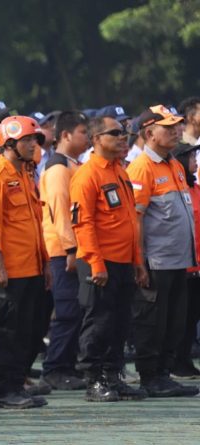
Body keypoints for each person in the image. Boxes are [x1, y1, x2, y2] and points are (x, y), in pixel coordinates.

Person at [70, 115, 149, 402]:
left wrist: (137, 261)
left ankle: (113, 376)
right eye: (114, 133)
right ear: (96, 139)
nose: (122, 137)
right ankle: (94, 380)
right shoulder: (87, 174)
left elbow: (129, 221)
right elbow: (83, 223)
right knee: (99, 322)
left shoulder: (120, 171)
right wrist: (95, 262)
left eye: (124, 132)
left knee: (119, 322)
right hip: (99, 261)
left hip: (123, 261)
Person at [126, 105, 199, 397]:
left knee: (174, 321)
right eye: (168, 128)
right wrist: (139, 262)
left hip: (178, 261)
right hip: (156, 262)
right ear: (149, 133)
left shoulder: (173, 165)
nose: (176, 132)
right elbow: (136, 218)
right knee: (153, 321)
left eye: (177, 127)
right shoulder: (141, 167)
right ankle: (151, 376)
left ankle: (164, 374)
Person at [0, 116, 51, 409]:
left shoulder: (26, 173)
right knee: (6, 330)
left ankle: (17, 383)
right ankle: (2, 388)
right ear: (9, 143)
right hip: (10, 268)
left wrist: (45, 263)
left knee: (26, 329)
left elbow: (36, 223)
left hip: (31, 266)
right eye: (27, 140)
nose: (33, 146)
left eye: (35, 140)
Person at [39, 111, 91, 391]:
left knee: (76, 310)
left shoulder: (73, 164)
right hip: (63, 251)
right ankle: (55, 368)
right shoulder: (58, 168)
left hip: (74, 249)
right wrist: (71, 249)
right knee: (68, 310)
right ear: (66, 135)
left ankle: (67, 366)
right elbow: (60, 211)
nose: (88, 138)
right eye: (83, 132)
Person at [172, 141, 200, 376]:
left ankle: (183, 360)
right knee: (179, 317)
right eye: (191, 156)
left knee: (191, 317)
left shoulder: (195, 187)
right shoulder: (179, 189)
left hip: (197, 263)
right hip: (183, 262)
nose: (195, 160)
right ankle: (173, 361)